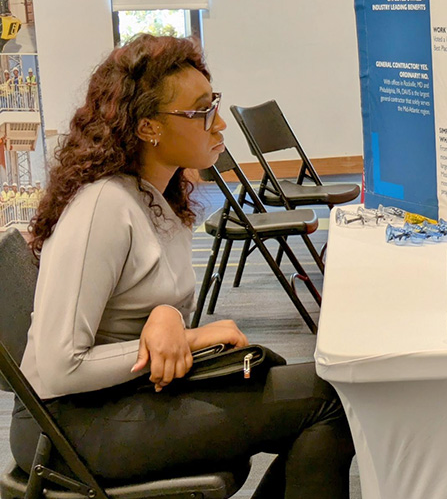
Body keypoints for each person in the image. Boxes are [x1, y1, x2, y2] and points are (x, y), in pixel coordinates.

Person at [11, 34, 355, 498]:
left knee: (326, 394)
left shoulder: (155, 197)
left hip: (118, 400)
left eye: (214, 104)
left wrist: (166, 317)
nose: (219, 125)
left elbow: (146, 301)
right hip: (66, 425)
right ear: (148, 126)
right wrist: (185, 334)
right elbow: (57, 369)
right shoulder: (103, 208)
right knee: (325, 400)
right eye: (200, 111)